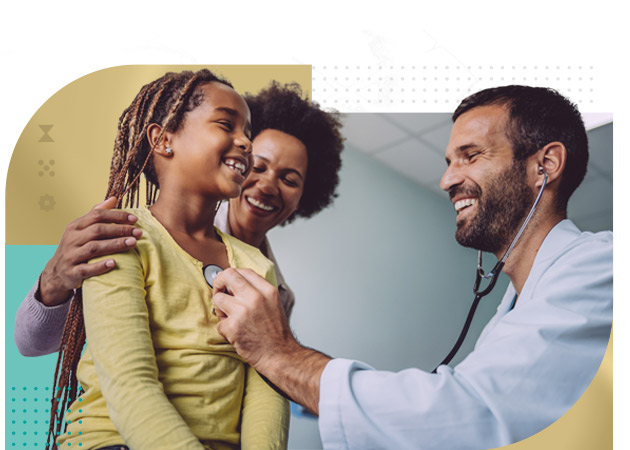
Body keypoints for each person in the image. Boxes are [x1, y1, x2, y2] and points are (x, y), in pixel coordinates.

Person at [210, 85, 613, 449]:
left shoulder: (601, 266)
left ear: (546, 165)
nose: (447, 180)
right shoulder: (515, 310)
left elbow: (464, 413)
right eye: (449, 161)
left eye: (470, 156)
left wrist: (282, 356)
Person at [47, 69, 293, 450]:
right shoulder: (119, 236)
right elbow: (130, 383)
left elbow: (268, 386)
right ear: (162, 140)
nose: (246, 142)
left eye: (248, 131)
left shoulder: (256, 265)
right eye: (227, 124)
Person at [14, 81, 344, 357]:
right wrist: (54, 280)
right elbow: (32, 345)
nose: (269, 185)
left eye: (289, 179)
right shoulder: (133, 236)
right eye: (258, 166)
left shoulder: (277, 293)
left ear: (305, 195)